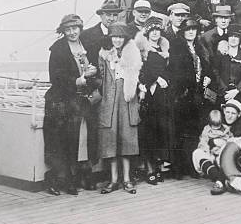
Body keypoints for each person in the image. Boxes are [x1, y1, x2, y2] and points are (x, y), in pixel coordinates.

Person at [43, 14, 98, 196]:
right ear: (63, 31)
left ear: (80, 28)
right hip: (62, 101)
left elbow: (92, 68)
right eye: (68, 29)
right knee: (62, 142)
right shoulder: (58, 49)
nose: (73, 32)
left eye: (75, 28)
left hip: (81, 100)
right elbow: (55, 77)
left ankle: (78, 177)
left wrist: (93, 71)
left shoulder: (86, 45)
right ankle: (59, 180)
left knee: (82, 140)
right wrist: (77, 80)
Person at [97, 22, 143, 194]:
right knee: (111, 139)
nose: (117, 40)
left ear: (125, 38)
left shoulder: (132, 54)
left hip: (127, 99)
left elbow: (138, 75)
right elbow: (100, 77)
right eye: (114, 36)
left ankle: (127, 179)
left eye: (120, 37)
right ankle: (113, 180)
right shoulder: (104, 55)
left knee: (126, 138)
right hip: (109, 100)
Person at [168, 18, 212, 177]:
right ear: (183, 32)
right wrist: (191, 84)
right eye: (188, 30)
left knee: (195, 132)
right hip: (183, 95)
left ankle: (192, 166)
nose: (191, 32)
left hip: (199, 96)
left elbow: (207, 67)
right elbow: (176, 73)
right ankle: (179, 168)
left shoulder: (200, 48)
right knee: (180, 132)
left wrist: (207, 78)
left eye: (194, 29)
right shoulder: (177, 48)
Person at [137, 16, 175, 184]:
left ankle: (158, 166)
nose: (155, 33)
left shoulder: (164, 48)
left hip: (162, 94)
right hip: (148, 93)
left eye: (158, 30)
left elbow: (169, 69)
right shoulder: (141, 48)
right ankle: (149, 168)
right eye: (152, 30)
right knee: (148, 131)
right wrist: (155, 78)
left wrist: (165, 78)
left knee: (160, 130)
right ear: (147, 32)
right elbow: (139, 69)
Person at [211, 23, 241, 119]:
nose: (233, 39)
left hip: (240, 93)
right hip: (222, 93)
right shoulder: (221, 54)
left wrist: (237, 90)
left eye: (236, 36)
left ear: (240, 39)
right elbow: (215, 72)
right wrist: (224, 91)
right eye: (231, 36)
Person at [191, 109, 233, 195]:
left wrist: (221, 146)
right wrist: (209, 151)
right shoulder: (207, 129)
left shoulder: (226, 129)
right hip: (210, 152)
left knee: (223, 157)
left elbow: (230, 141)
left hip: (221, 153)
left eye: (218, 126)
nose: (216, 129)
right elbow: (203, 142)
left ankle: (219, 180)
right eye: (214, 126)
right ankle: (219, 178)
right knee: (197, 153)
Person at [80, 0, 121, 67]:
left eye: (115, 15)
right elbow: (81, 59)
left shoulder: (123, 35)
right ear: (101, 15)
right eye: (108, 15)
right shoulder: (86, 35)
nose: (112, 18)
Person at [199, 5, 233, 73]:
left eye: (226, 18)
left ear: (230, 19)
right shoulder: (206, 37)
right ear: (216, 19)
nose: (223, 21)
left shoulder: (233, 36)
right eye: (220, 18)